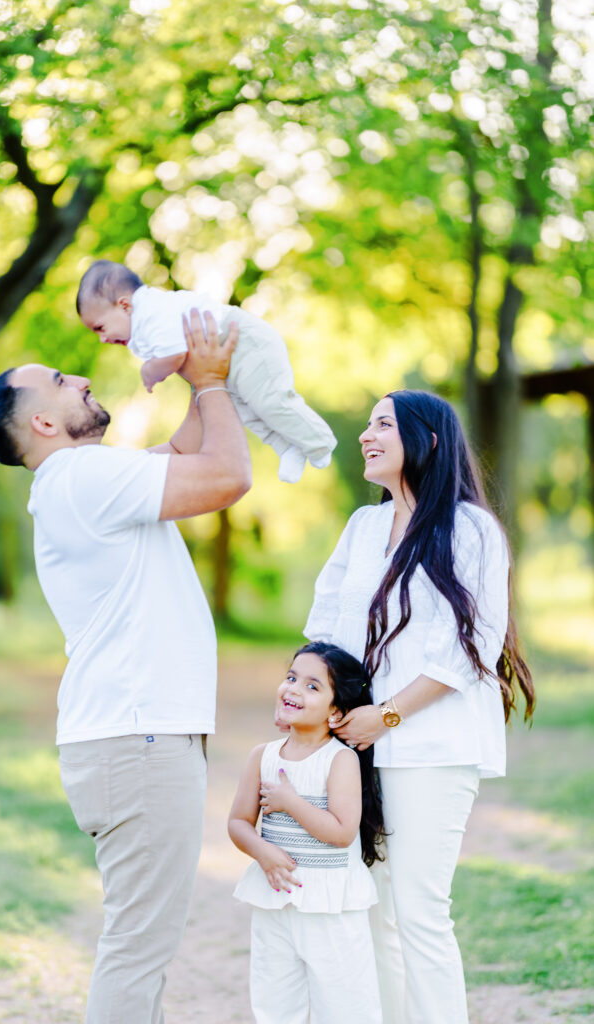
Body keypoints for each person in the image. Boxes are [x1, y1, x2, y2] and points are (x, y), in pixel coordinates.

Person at [0, 311, 251, 1024]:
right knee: (137, 950)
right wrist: (215, 383)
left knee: (139, 948)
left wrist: (205, 378)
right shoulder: (81, 476)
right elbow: (224, 474)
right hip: (138, 742)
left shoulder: (79, 482)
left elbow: (182, 451)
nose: (84, 377)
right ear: (41, 424)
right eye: (62, 382)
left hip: (130, 739)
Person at [300, 390, 535, 1024]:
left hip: (432, 746)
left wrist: (389, 714)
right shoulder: (363, 525)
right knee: (373, 909)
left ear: (426, 440)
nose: (365, 435)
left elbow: (471, 645)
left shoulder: (470, 528)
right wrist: (323, 710)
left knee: (419, 909)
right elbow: (325, 626)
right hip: (357, 749)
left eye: (383, 424)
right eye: (367, 422)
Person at [229, 641, 386, 1024]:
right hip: (275, 903)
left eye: (312, 686)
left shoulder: (340, 759)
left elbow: (342, 832)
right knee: (275, 1003)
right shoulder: (262, 756)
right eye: (291, 677)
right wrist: (262, 851)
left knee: (346, 1005)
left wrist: (291, 802)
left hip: (331, 907)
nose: (294, 689)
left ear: (335, 711)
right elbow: (237, 823)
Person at [76, 258, 337, 483]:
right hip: (225, 362)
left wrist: (151, 370)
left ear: (124, 305)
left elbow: (174, 354)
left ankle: (319, 442)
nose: (102, 338)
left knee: (270, 400)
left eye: (100, 328)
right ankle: (287, 447)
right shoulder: (139, 326)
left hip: (244, 342)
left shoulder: (151, 311)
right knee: (247, 411)